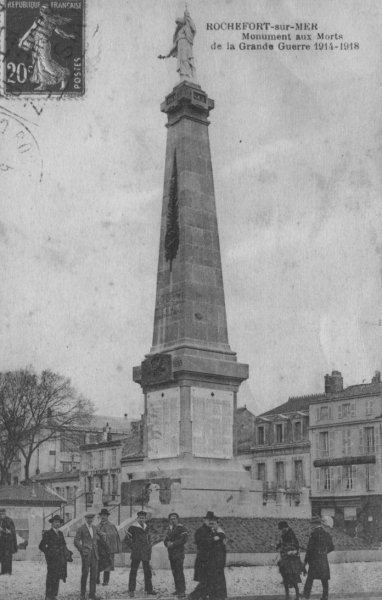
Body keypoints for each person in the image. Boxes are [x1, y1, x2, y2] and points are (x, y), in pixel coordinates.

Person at [18, 4, 75, 91]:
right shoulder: (38, 21)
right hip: (36, 45)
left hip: (44, 44)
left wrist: (68, 36)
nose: (43, 14)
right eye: (42, 12)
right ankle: (43, 84)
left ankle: (63, 77)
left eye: (46, 12)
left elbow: (59, 32)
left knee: (46, 64)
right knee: (38, 65)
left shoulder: (51, 23)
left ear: (49, 13)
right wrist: (22, 40)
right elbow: (30, 30)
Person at [125, 510, 157, 597]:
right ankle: (131, 590)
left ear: (145, 518)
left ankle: (149, 589)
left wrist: (149, 546)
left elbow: (149, 538)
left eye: (143, 518)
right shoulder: (132, 527)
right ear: (137, 518)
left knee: (147, 571)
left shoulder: (147, 527)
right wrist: (134, 547)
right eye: (140, 518)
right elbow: (127, 539)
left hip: (145, 553)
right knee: (133, 571)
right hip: (136, 553)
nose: (141, 519)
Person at [158, 9, 196, 81]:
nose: (178, 25)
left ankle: (188, 76)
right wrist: (167, 55)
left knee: (185, 60)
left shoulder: (186, 29)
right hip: (180, 49)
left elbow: (193, 30)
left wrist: (188, 17)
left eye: (179, 23)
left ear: (182, 23)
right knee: (182, 62)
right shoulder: (178, 34)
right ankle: (184, 76)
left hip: (186, 47)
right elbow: (175, 45)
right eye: (177, 24)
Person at [74, 512, 105, 600]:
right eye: (88, 518)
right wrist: (82, 550)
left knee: (94, 575)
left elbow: (101, 535)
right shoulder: (81, 528)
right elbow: (76, 541)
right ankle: (82, 594)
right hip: (86, 554)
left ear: (93, 519)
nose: (90, 520)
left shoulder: (95, 528)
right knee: (85, 574)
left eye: (91, 518)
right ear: (85, 519)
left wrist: (104, 536)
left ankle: (92, 594)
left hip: (95, 554)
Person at [302, 516, 334, 600]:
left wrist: (305, 561)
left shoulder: (314, 533)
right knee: (324, 578)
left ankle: (306, 595)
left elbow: (309, 549)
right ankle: (325, 596)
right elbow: (332, 547)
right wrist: (324, 552)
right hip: (323, 559)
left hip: (314, 560)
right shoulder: (326, 534)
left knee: (310, 578)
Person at [39, 514, 69, 600]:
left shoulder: (60, 533)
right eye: (55, 522)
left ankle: (54, 595)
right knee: (51, 576)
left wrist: (66, 553)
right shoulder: (47, 533)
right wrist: (48, 553)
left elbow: (64, 544)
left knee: (58, 576)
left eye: (58, 522)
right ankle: (48, 595)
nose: (57, 524)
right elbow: (41, 546)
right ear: (52, 523)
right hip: (52, 559)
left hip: (60, 559)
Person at [188, 511, 215, 600]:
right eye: (208, 520)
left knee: (208, 581)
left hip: (210, 560)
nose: (210, 521)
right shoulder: (200, 531)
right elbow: (201, 543)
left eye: (212, 520)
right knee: (205, 581)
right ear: (204, 520)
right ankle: (192, 596)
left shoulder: (212, 530)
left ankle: (203, 597)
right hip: (203, 560)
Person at [164, 512, 188, 598]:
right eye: (171, 519)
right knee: (175, 572)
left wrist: (173, 544)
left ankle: (182, 591)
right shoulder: (170, 529)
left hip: (179, 554)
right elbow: (165, 540)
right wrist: (167, 543)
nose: (173, 520)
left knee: (179, 572)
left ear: (177, 519)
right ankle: (178, 589)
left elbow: (184, 539)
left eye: (174, 518)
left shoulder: (182, 528)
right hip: (171, 555)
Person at [276, 521, 303, 600]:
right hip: (285, 556)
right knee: (282, 567)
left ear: (286, 527)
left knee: (293, 576)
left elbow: (295, 545)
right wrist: (278, 546)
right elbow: (282, 543)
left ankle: (297, 596)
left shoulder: (291, 534)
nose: (282, 530)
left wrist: (292, 551)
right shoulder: (284, 533)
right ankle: (287, 595)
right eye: (281, 529)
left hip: (292, 557)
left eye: (282, 529)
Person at [96, 508, 122, 586]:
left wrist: (104, 535)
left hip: (108, 548)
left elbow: (114, 536)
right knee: (97, 563)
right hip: (99, 548)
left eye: (104, 515)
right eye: (101, 515)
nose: (103, 517)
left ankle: (106, 581)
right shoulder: (97, 526)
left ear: (107, 516)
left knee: (107, 564)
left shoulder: (111, 526)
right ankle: (97, 579)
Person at [207, 517, 227, 600]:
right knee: (214, 577)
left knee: (219, 577)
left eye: (214, 524)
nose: (212, 526)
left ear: (218, 524)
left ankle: (220, 595)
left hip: (219, 559)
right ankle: (214, 595)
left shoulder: (220, 533)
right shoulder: (214, 532)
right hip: (214, 558)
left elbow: (214, 540)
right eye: (210, 524)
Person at [0, 508, 17, 575]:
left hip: (8, 543)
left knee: (8, 557)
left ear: (5, 513)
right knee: (2, 557)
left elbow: (11, 531)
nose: (1, 515)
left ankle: (8, 571)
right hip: (1, 542)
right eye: (0, 513)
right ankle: (3, 571)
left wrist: (2, 530)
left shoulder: (9, 520)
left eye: (2, 513)